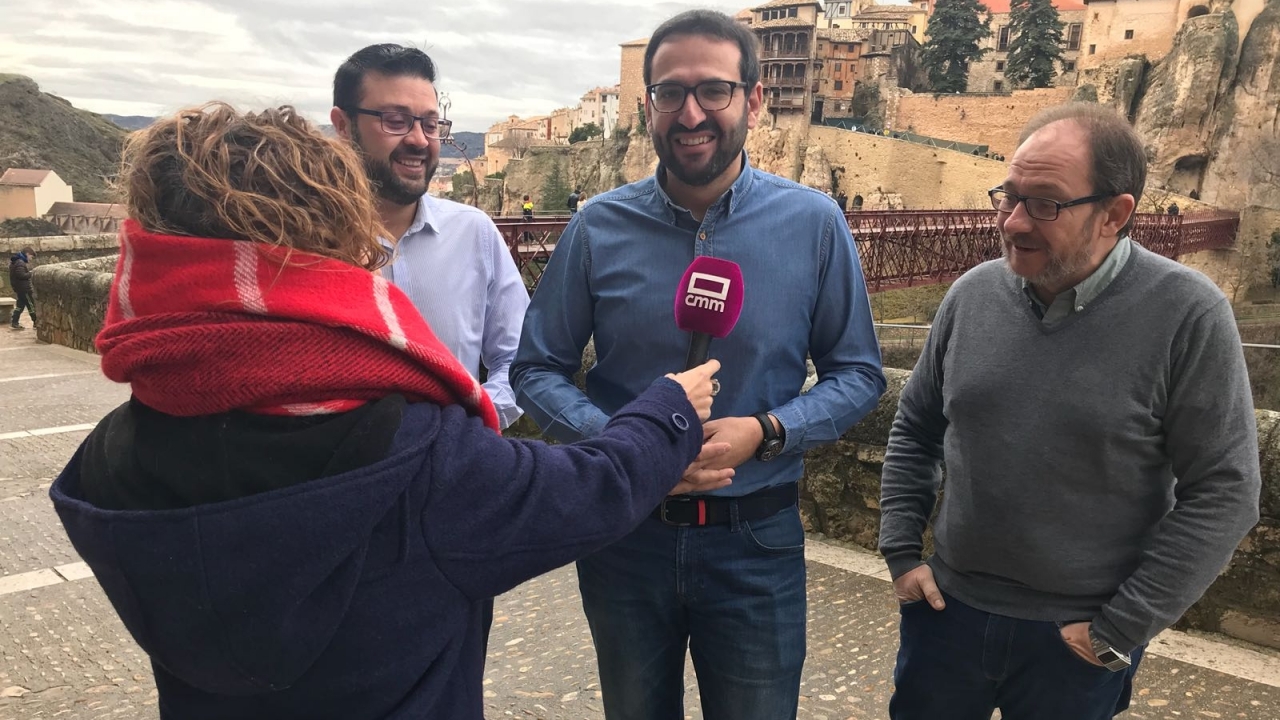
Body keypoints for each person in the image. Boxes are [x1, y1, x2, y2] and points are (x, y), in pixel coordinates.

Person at [48, 103, 735, 720]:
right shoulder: (416, 458)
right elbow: (590, 490)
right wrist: (668, 409)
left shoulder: (114, 456)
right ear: (331, 237)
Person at [511, 10, 886, 720]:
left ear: (753, 98)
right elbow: (536, 369)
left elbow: (860, 373)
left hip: (757, 542)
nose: (690, 113)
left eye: (713, 91)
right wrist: (630, 442)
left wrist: (769, 430)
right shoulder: (596, 226)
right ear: (647, 105)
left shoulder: (814, 224)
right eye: (668, 93)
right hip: (626, 537)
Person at [878, 102, 1261, 720]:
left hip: (1077, 640)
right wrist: (900, 552)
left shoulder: (1189, 313)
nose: (1013, 223)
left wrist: (1120, 628)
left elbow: (1226, 490)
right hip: (947, 615)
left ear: (1116, 214)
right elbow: (917, 427)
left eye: (1045, 204)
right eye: (1008, 196)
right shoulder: (971, 295)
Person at [330, 44, 528, 430]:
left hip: (455, 474)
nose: (420, 140)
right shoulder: (303, 242)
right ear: (342, 125)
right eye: (395, 120)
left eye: (430, 124)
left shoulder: (474, 233)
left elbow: (520, 359)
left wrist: (474, 424)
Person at [8, 246, 36, 330]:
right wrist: (31, 273)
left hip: (19, 288)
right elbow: (21, 275)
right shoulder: (20, 263)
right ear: (27, 254)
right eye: (31, 257)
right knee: (31, 306)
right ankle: (36, 322)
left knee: (20, 306)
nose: (31, 259)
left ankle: (14, 322)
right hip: (24, 289)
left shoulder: (16, 262)